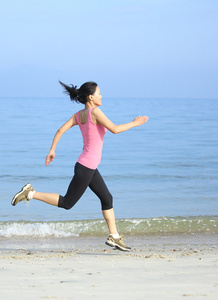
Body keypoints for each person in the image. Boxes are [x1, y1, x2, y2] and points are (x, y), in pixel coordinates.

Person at [11, 81, 148, 251]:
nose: (101, 95)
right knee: (67, 203)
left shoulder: (79, 115)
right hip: (86, 167)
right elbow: (114, 129)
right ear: (91, 97)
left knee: (107, 198)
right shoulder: (96, 112)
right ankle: (30, 193)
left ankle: (114, 237)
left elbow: (60, 130)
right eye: (99, 93)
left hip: (88, 166)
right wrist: (135, 123)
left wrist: (52, 150)